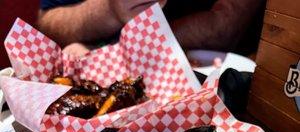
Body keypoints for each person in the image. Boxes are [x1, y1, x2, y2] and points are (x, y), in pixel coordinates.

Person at [37, 0, 266, 57]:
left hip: (225, 92)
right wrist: (108, 10)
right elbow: (47, 21)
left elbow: (224, 26)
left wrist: (112, 52)